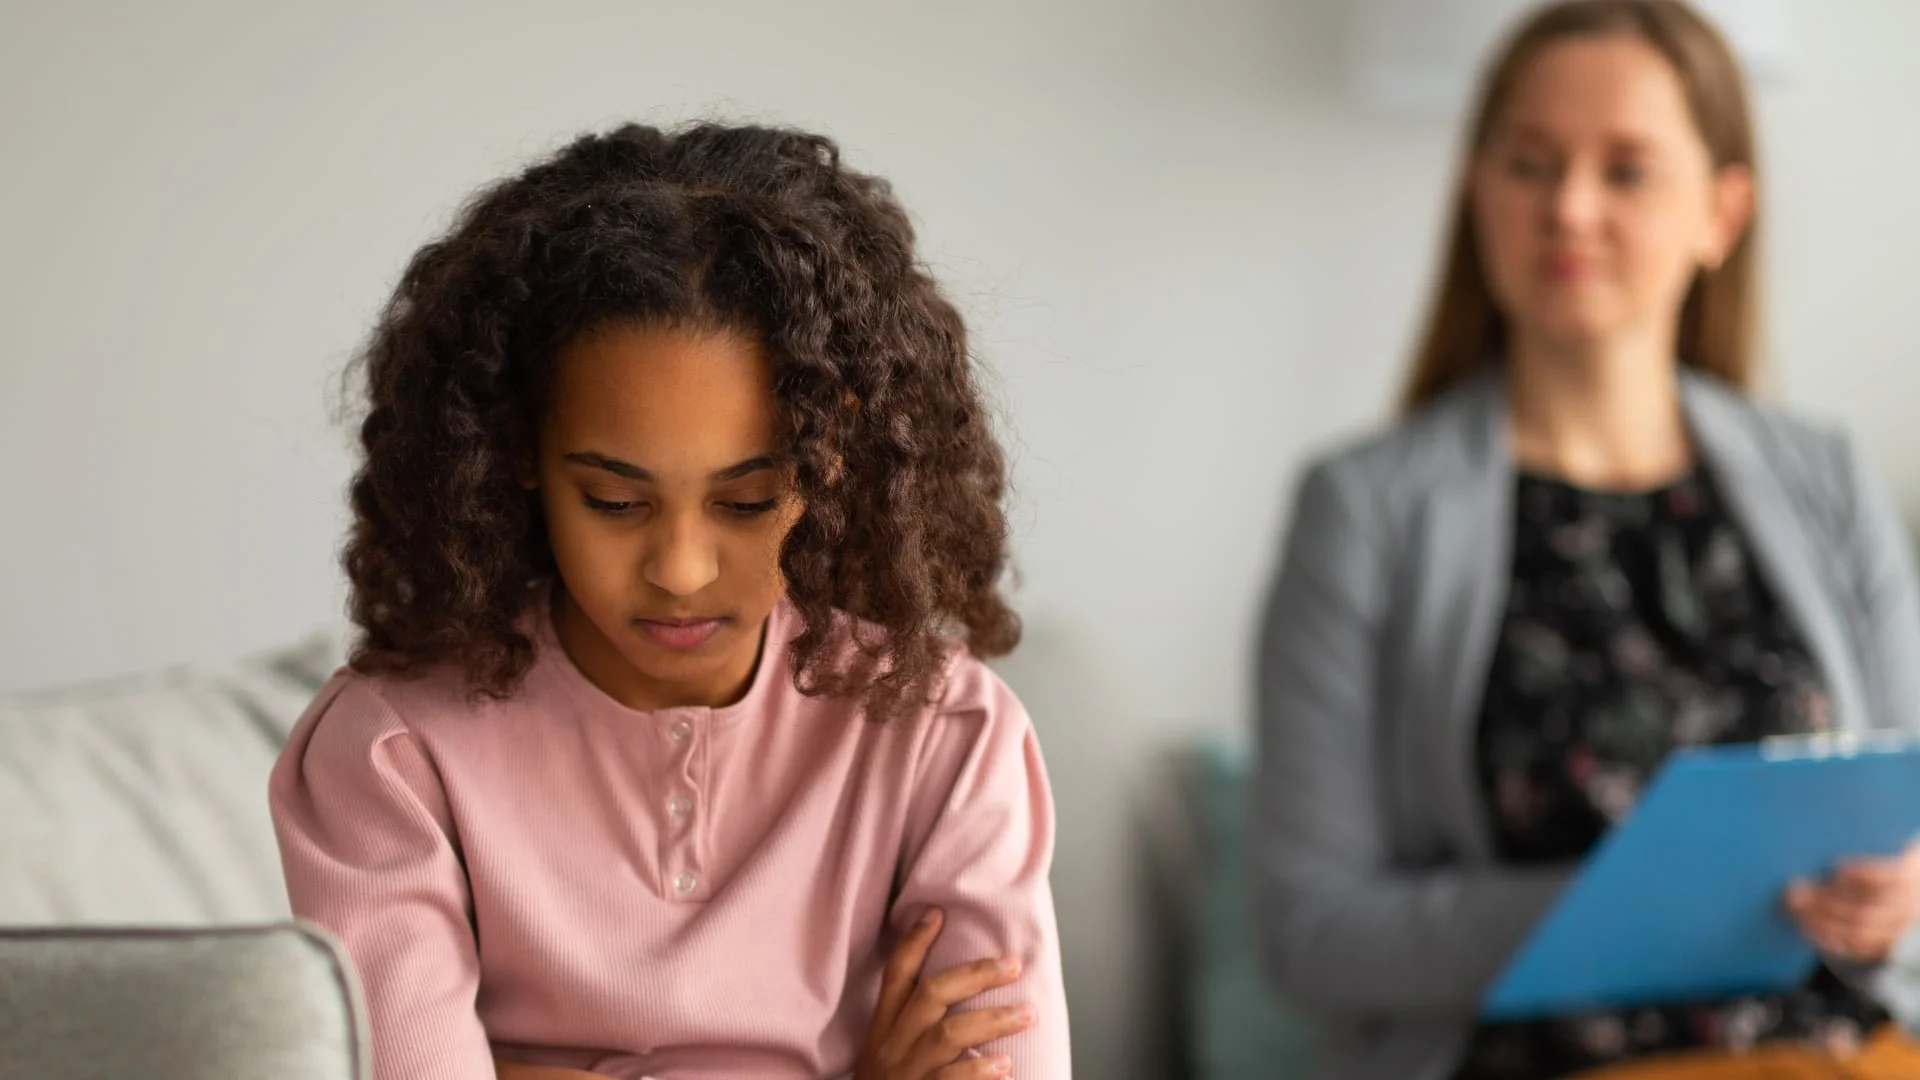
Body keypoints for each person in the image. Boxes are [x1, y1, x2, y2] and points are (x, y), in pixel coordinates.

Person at [269, 122, 1070, 1080]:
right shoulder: (391, 753)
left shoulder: (948, 734)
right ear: (519, 449)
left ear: (833, 455)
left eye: (745, 501)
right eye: (614, 500)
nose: (682, 569)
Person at [1251, 3, 1920, 1078]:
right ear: (1478, 189)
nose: (1568, 207)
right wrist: (1649, 907)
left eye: (1627, 171)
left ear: (1722, 212)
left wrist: (1896, 903)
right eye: (1530, 163)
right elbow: (1312, 932)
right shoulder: (1364, 511)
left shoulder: (1828, 479)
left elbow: (1904, 828)